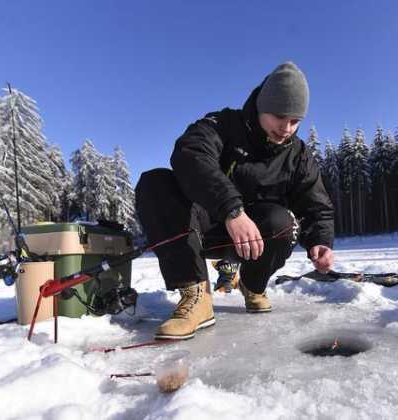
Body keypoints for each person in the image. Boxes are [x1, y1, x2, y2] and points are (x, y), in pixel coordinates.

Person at [135, 62, 335, 340]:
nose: (287, 128)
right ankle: (196, 295)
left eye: (295, 120)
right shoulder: (223, 125)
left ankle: (253, 286)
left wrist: (320, 241)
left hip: (254, 240)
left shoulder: (298, 155)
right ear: (262, 106)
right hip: (200, 227)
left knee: (283, 222)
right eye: (279, 116)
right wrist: (232, 210)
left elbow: (316, 204)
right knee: (155, 182)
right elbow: (190, 155)